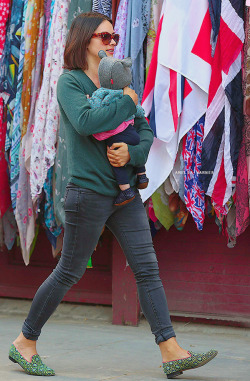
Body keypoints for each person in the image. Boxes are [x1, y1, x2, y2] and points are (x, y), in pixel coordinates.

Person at [9, 12, 218, 378]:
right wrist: (127, 100)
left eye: (114, 38)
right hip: (87, 193)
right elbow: (88, 122)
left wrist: (131, 154)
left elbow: (144, 130)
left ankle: (170, 351)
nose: (111, 44)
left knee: (147, 268)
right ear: (83, 40)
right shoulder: (69, 83)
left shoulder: (118, 79)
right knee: (69, 271)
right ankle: (25, 342)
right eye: (104, 38)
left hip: (124, 195)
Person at [88, 49, 149, 206]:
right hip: (132, 133)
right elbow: (139, 111)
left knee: (116, 161)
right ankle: (142, 175)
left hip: (117, 136)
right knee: (133, 144)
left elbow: (94, 109)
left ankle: (125, 190)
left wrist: (87, 100)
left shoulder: (102, 93)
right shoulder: (126, 93)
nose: (113, 42)